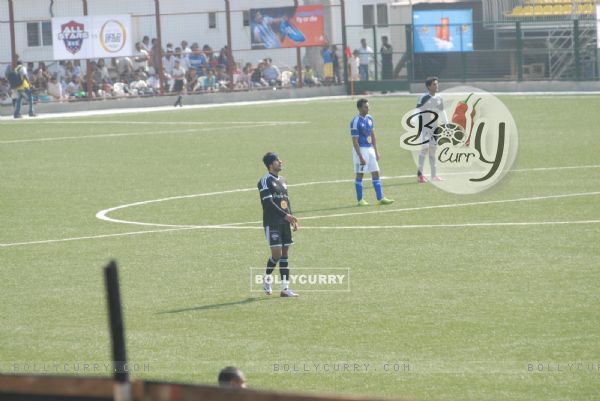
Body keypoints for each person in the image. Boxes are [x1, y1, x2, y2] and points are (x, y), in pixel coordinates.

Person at [257, 152, 299, 297]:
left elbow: (286, 201)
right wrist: (285, 215)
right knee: (277, 254)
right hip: (272, 222)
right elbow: (268, 203)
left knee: (285, 254)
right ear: (270, 165)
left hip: (284, 222)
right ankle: (267, 279)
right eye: (277, 160)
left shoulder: (282, 180)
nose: (280, 162)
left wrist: (291, 218)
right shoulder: (265, 180)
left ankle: (285, 288)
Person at [350, 99, 393, 206]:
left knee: (376, 172)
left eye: (368, 106)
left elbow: (373, 135)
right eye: (365, 107)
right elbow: (355, 141)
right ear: (360, 108)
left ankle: (381, 198)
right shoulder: (355, 121)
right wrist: (360, 156)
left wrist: (376, 150)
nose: (368, 108)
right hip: (361, 150)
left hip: (370, 149)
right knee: (360, 174)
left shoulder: (370, 118)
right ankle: (360, 200)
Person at [416, 76, 445, 183]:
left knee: (433, 150)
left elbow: (442, 111)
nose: (436, 86)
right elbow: (417, 110)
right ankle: (420, 175)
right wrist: (414, 122)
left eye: (437, 84)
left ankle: (434, 175)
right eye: (434, 84)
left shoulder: (439, 98)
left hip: (435, 128)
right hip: (425, 127)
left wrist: (446, 123)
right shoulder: (424, 98)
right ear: (429, 86)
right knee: (424, 149)